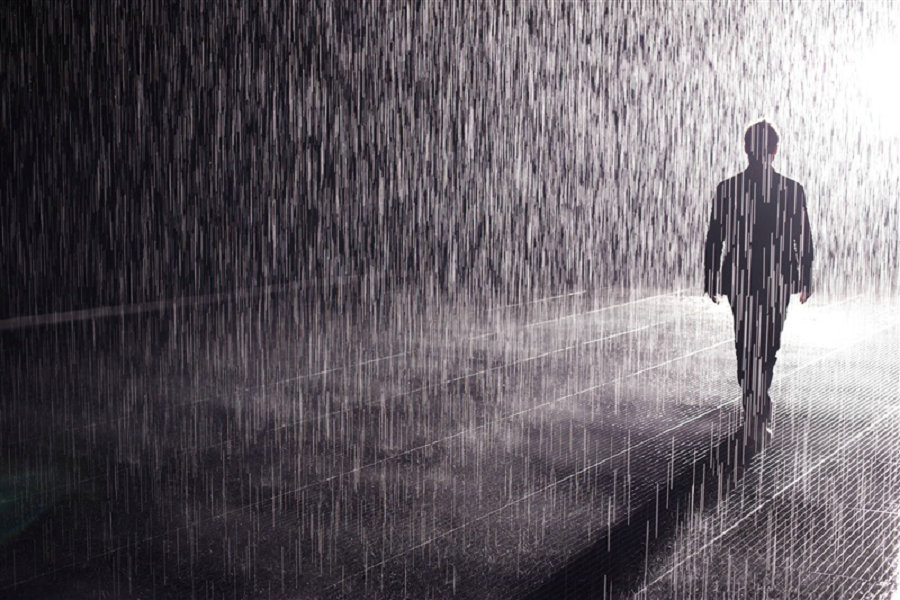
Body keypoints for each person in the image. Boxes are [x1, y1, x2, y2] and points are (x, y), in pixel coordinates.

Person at [704, 120, 814, 453]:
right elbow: (802, 237)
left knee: (746, 342)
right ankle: (757, 407)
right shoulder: (791, 189)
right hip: (776, 276)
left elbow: (715, 237)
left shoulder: (729, 188)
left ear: (746, 148)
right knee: (768, 344)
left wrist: (712, 275)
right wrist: (806, 275)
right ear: (775, 149)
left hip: (741, 275)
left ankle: (753, 405)